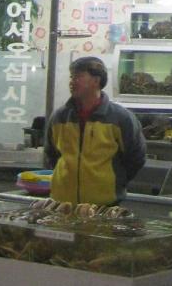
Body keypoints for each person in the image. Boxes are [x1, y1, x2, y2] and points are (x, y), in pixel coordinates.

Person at [44, 56, 146, 205]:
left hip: (104, 206)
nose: (72, 82)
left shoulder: (121, 118)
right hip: (62, 204)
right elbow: (51, 154)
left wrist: (116, 181)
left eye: (78, 77)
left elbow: (136, 157)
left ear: (96, 81)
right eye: (72, 77)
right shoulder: (59, 117)